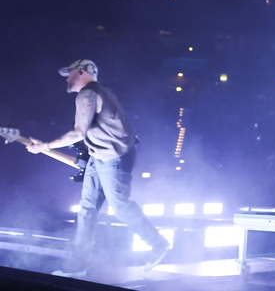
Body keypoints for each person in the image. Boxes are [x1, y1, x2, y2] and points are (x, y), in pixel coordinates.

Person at [27, 60, 170, 275]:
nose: (67, 78)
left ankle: (158, 243)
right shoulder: (104, 91)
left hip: (114, 157)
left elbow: (78, 132)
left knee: (120, 206)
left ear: (81, 72)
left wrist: (45, 146)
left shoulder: (87, 94)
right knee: (87, 209)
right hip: (99, 156)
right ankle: (79, 266)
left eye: (70, 73)